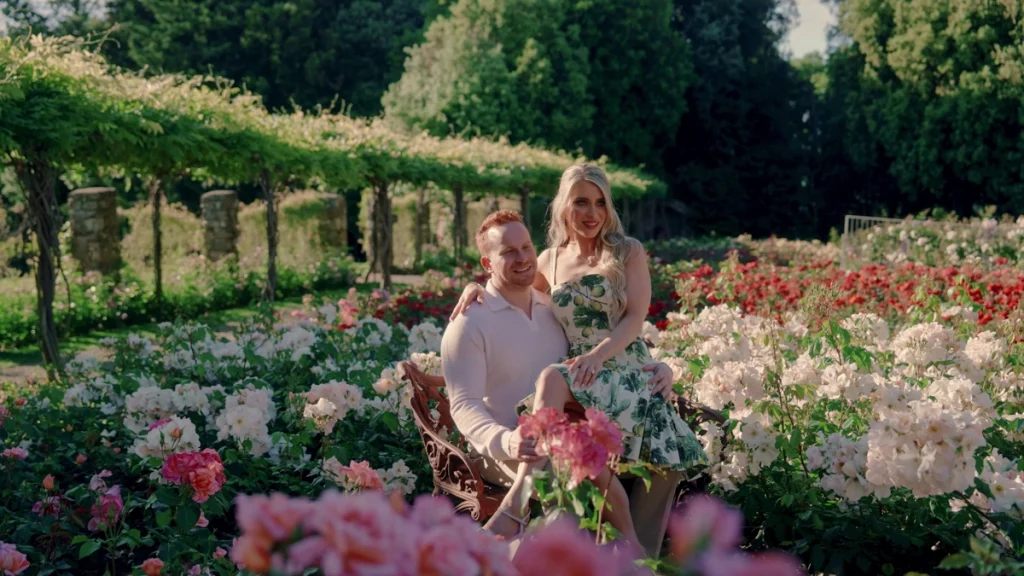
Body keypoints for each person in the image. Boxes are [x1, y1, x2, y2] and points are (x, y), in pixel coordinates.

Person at [447, 164, 707, 554]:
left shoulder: (627, 251)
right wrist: (475, 285)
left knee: (554, 381)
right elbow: (510, 284)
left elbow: (636, 317)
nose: (592, 213)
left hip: (619, 369)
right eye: (581, 202)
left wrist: (605, 356)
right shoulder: (549, 260)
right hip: (585, 388)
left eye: (601, 202)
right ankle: (628, 556)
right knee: (581, 442)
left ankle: (520, 504)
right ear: (563, 207)